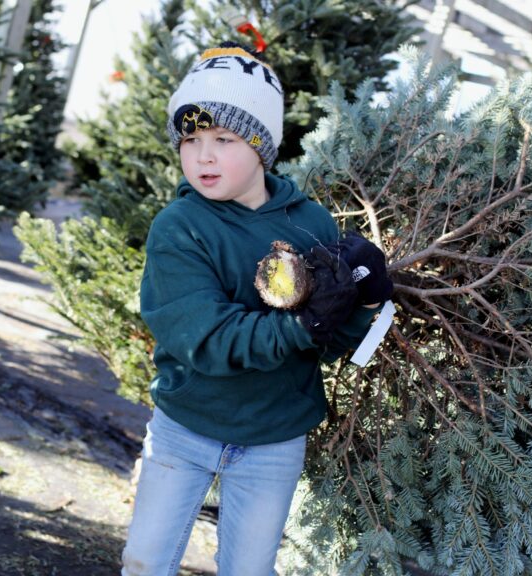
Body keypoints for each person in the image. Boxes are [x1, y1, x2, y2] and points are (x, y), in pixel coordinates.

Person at [120, 42, 393, 576]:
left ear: (261, 146)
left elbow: (332, 341)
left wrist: (363, 298)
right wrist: (301, 323)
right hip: (187, 427)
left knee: (249, 569)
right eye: (191, 139)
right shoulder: (180, 228)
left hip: (274, 436)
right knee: (146, 560)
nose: (203, 156)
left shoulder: (308, 224)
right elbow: (207, 337)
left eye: (223, 138)